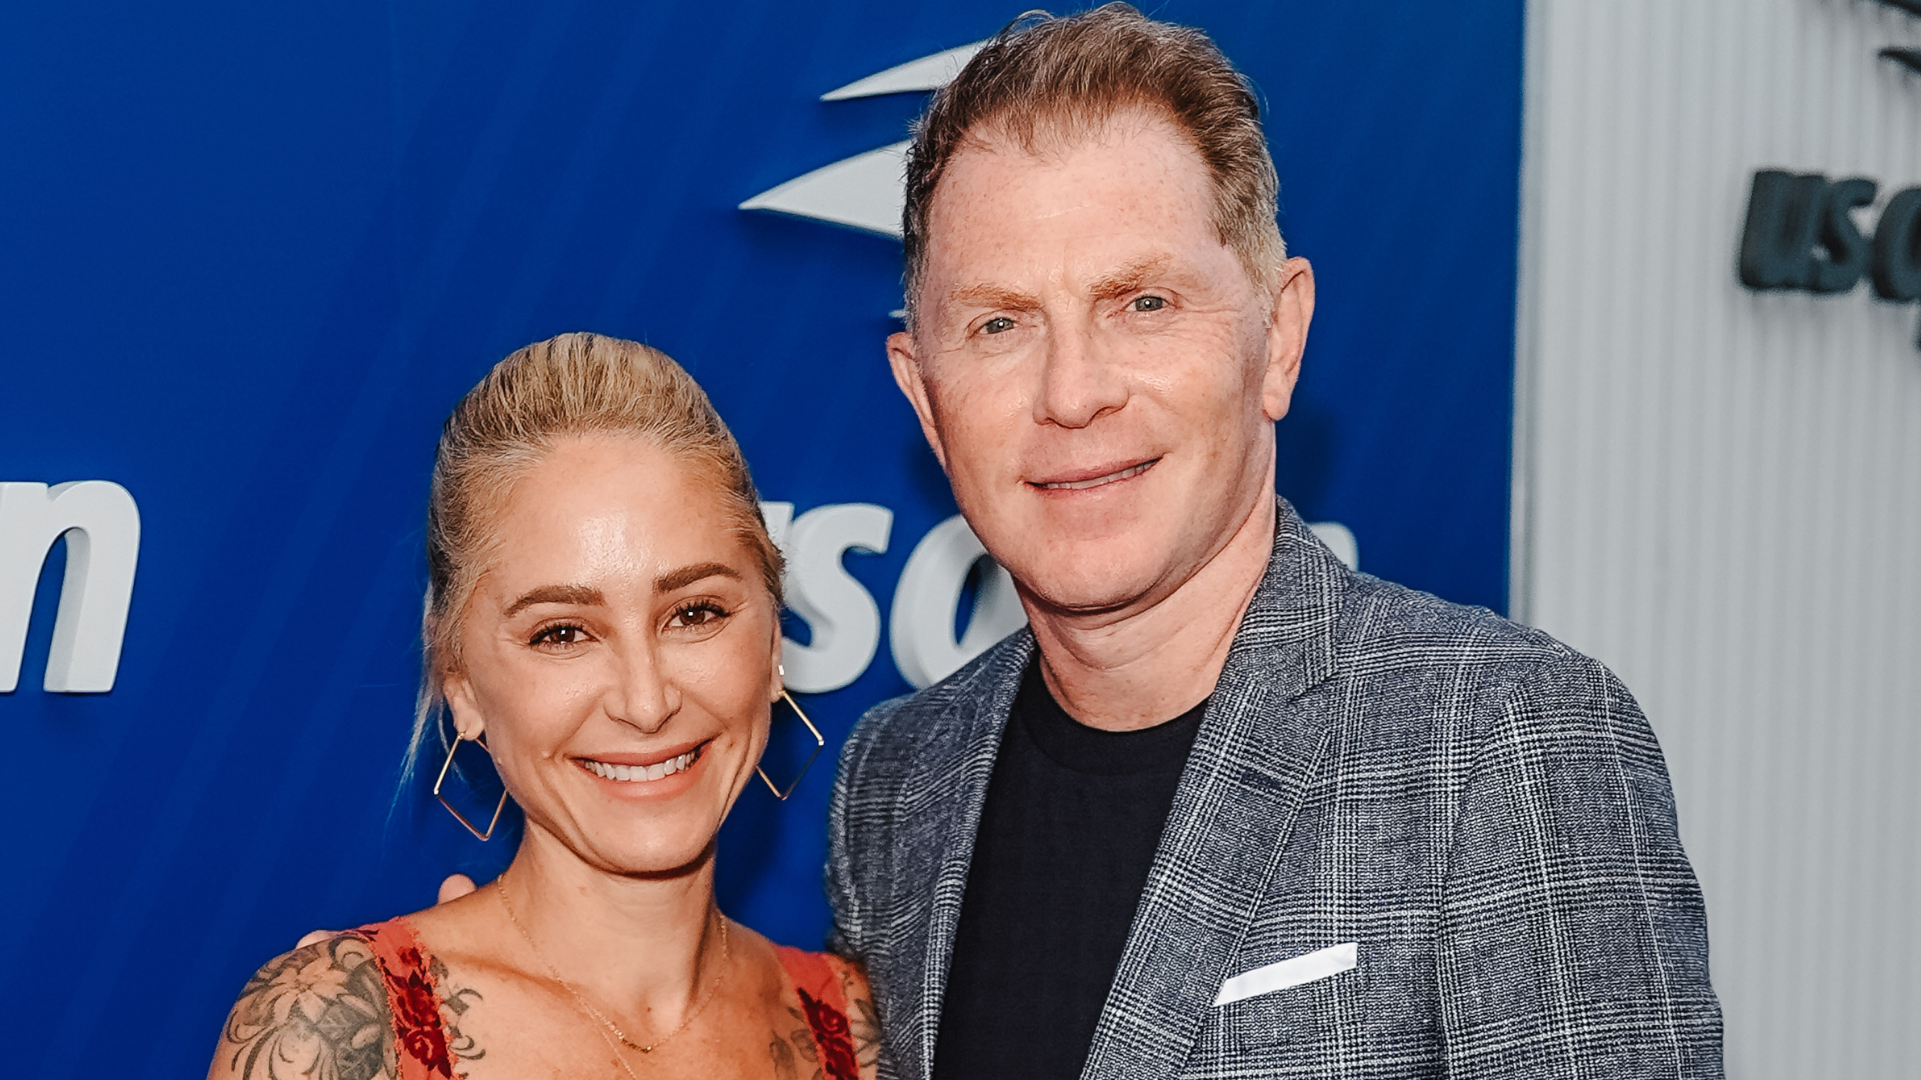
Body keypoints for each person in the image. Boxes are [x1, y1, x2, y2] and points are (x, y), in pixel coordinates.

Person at [826, 6, 1723, 1080]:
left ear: (1278, 338)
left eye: (1142, 302)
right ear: (923, 397)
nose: (1071, 393)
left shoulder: (1505, 739)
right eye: (999, 324)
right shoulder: (894, 779)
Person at [208, 333, 878, 1080]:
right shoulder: (340, 1031)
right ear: (460, 683)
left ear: (774, 637)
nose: (646, 702)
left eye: (694, 613)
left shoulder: (861, 1032)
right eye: (562, 633)